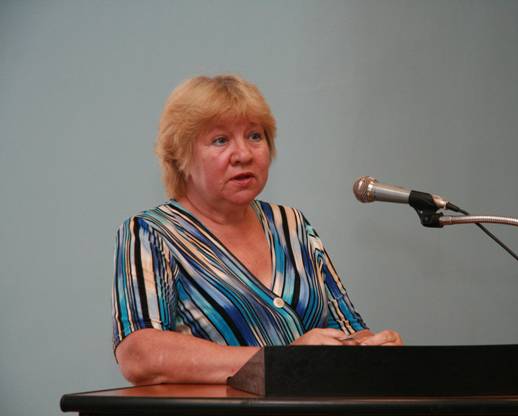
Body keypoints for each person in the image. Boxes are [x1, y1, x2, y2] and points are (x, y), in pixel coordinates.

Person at [112, 74, 403, 385]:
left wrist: (373, 348)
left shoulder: (292, 225)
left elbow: (347, 326)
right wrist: (280, 361)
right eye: (220, 140)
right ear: (180, 157)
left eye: (254, 136)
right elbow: (139, 354)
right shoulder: (152, 233)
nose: (244, 155)